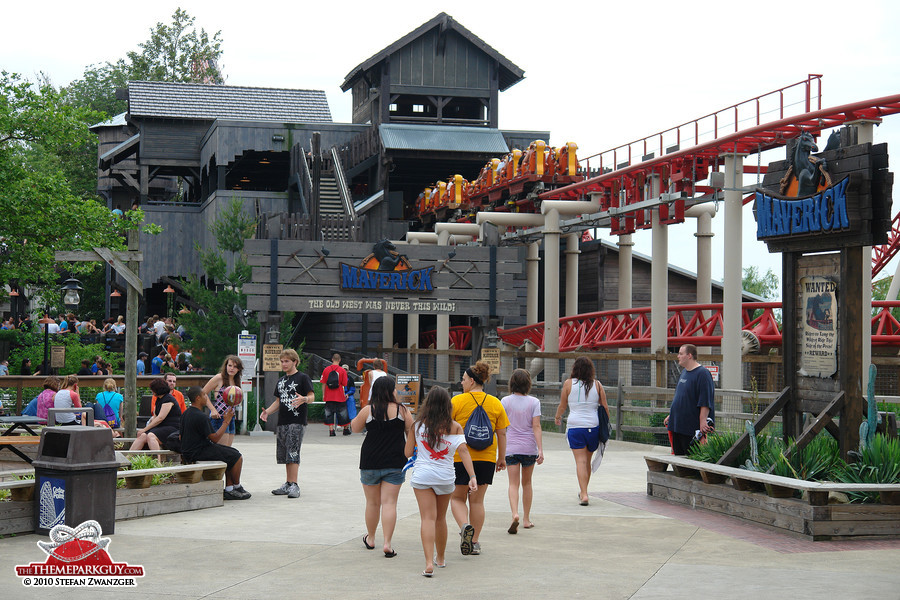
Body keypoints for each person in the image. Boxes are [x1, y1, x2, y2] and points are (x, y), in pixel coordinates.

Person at [405, 386, 478, 577]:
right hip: (445, 478)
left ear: (427, 404)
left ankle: (428, 563)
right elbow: (463, 452)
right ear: (447, 405)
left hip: (422, 477)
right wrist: (472, 476)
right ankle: (441, 558)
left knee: (427, 518)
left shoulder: (417, 425)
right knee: (440, 518)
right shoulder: (455, 426)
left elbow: (406, 453)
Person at [449, 360, 509, 556]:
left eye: (464, 379)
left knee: (457, 497)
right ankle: (474, 542)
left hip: (460, 457)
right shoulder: (496, 403)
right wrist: (501, 458)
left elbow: (447, 430)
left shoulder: (456, 401)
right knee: (477, 501)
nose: (462, 382)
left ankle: (465, 526)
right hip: (487, 458)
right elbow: (501, 433)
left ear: (473, 381)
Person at [350, 375, 413, 558]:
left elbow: (354, 428)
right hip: (395, 462)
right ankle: (387, 543)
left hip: (370, 461)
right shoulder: (402, 411)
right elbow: (411, 431)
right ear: (390, 391)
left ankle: (370, 538)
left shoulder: (368, 410)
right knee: (389, 503)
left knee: (372, 503)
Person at [554, 356, 609, 506]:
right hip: (593, 426)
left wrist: (558, 417)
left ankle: (583, 493)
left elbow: (562, 405)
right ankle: (584, 491)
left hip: (575, 426)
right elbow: (604, 407)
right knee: (587, 461)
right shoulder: (597, 385)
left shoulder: (568, 384)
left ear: (574, 369)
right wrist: (607, 424)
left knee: (580, 461)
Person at [180, 386, 250, 500]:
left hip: (189, 451)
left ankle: (229, 489)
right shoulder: (201, 416)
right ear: (198, 398)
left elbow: (180, 436)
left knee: (230, 453)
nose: (206, 397)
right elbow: (215, 438)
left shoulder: (185, 413)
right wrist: (226, 421)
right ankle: (236, 486)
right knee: (237, 456)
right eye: (204, 395)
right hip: (198, 452)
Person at [261, 349, 314, 499]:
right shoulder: (281, 381)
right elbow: (278, 401)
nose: (284, 364)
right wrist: (267, 412)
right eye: (282, 361)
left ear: (295, 362)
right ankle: (288, 483)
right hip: (282, 421)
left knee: (293, 450)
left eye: (287, 361)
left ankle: (295, 484)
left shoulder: (303, 378)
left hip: (296, 421)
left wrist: (304, 399)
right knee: (285, 453)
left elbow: (311, 395)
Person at [500, 368, 544, 532]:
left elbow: (502, 428)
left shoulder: (505, 401)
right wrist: (540, 449)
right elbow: (536, 426)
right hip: (529, 448)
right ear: (528, 384)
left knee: (513, 483)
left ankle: (514, 514)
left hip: (511, 447)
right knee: (527, 483)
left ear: (512, 383)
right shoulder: (534, 402)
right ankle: (526, 519)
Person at [664, 344, 715, 456]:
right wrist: (671, 415)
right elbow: (681, 397)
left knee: (690, 459)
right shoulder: (684, 372)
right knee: (678, 458)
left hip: (691, 428)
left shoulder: (703, 374)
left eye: (681, 354)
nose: (678, 356)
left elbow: (705, 401)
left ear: (689, 356)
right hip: (677, 425)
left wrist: (702, 422)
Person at [130, 377, 182, 452]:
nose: (151, 391)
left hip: (172, 427)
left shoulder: (168, 399)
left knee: (151, 435)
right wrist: (145, 430)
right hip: (162, 427)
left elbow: (160, 418)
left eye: (152, 389)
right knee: (143, 435)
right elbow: (155, 416)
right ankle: (128, 457)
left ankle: (158, 461)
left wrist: (145, 429)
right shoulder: (159, 399)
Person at [203, 355, 243, 447]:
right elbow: (203, 393)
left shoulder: (236, 381)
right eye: (230, 365)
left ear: (238, 369)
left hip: (231, 417)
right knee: (222, 449)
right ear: (226, 366)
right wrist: (212, 409)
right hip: (219, 417)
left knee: (228, 449)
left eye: (235, 366)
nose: (232, 368)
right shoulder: (219, 378)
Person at [321, 353, 349, 436]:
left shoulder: (326, 370)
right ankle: (345, 429)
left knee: (329, 413)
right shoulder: (342, 370)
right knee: (343, 413)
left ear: (332, 359)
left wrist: (323, 394)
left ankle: (331, 430)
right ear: (339, 360)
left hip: (329, 395)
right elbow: (344, 383)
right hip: (339, 395)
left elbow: (323, 383)